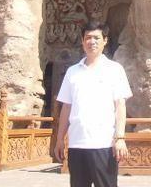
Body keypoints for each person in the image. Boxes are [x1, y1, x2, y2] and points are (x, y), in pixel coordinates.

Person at [53, 21, 132, 187]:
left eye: (96, 37)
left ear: (105, 40)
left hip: (104, 144)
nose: (92, 42)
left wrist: (120, 137)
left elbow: (120, 105)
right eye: (88, 37)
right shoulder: (72, 72)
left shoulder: (115, 69)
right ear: (82, 41)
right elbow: (66, 108)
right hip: (76, 144)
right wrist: (59, 139)